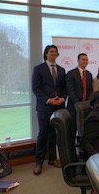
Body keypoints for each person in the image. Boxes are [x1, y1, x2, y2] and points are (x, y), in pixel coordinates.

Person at [32, 45, 67, 175]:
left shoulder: (62, 70)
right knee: (43, 134)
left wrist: (63, 98)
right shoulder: (38, 69)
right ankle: (38, 163)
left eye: (55, 52)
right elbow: (36, 88)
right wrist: (48, 100)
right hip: (45, 107)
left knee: (54, 134)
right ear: (46, 54)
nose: (54, 53)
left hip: (59, 106)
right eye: (51, 52)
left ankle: (52, 159)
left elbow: (64, 87)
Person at [66, 53, 93, 134]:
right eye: (83, 59)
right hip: (74, 107)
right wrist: (78, 104)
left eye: (86, 60)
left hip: (86, 107)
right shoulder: (71, 73)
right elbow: (70, 91)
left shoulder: (89, 74)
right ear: (78, 61)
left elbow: (90, 90)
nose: (85, 61)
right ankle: (71, 147)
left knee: (86, 130)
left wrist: (88, 102)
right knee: (72, 131)